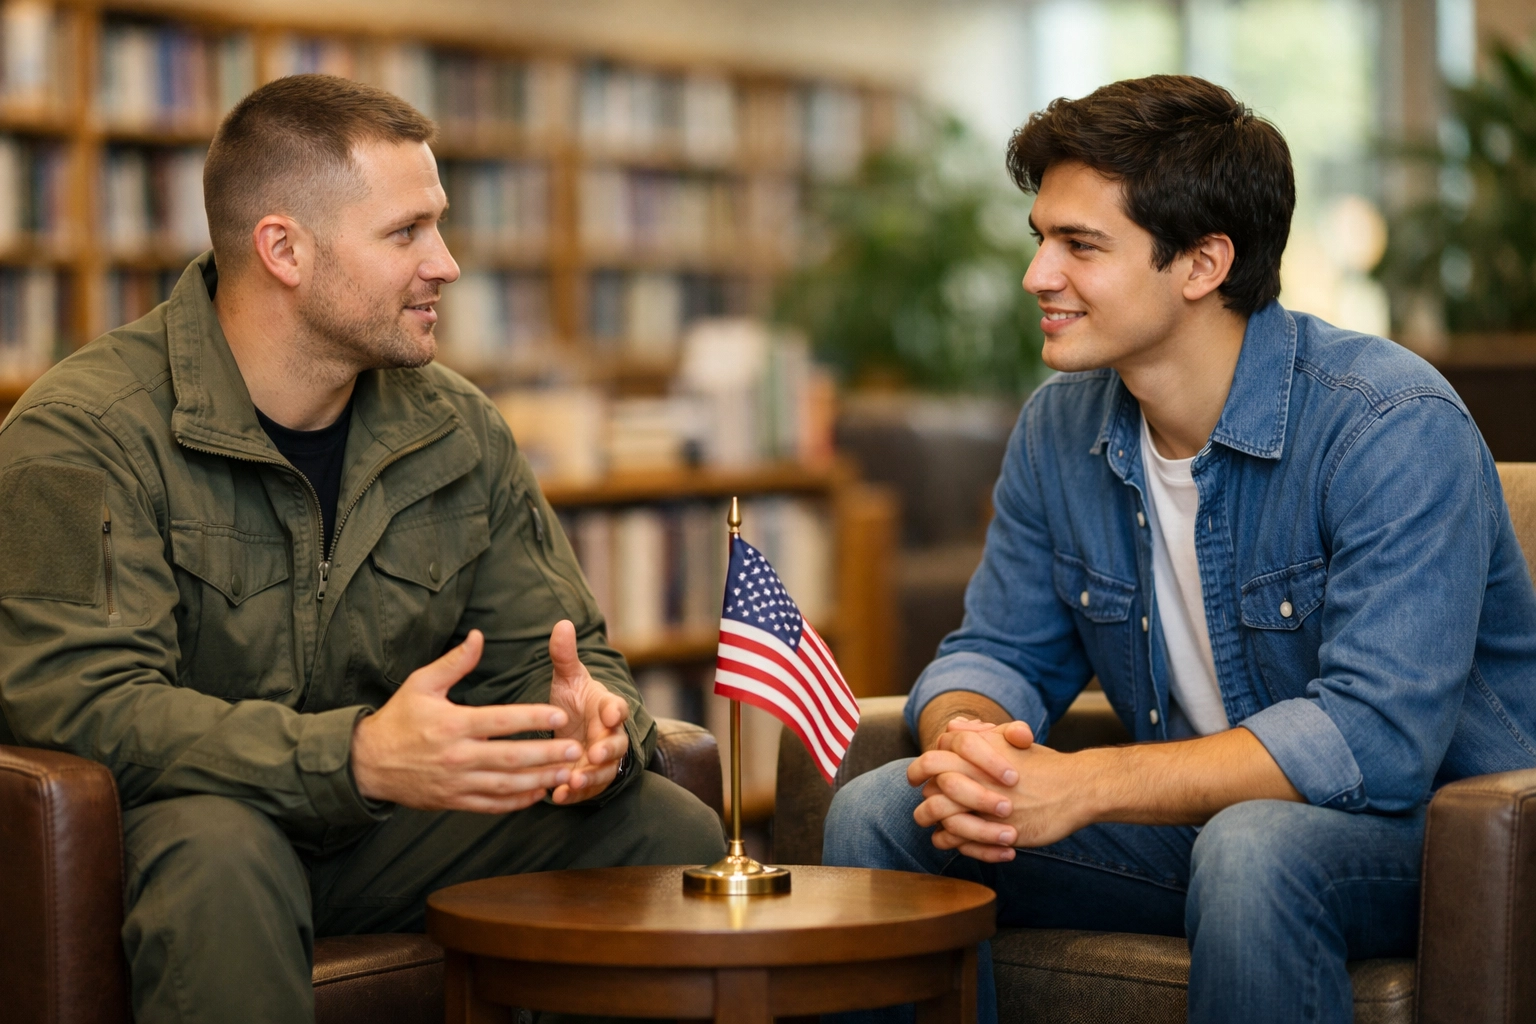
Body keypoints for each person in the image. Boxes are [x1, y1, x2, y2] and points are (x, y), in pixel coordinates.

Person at [0, 74, 725, 1024]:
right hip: (192, 825)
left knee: (664, 824)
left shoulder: (460, 429)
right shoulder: (70, 436)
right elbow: (76, 703)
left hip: (387, 829)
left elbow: (569, 656)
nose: (448, 264)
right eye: (406, 233)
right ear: (283, 250)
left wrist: (598, 729)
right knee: (222, 856)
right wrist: (354, 758)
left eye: (441, 224)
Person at [823, 74, 1536, 1024]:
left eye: (1079, 245)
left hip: (1438, 838)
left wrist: (1082, 784)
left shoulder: (1390, 424)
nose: (1038, 274)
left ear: (1203, 264)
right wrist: (974, 742)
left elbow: (1377, 742)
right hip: (1203, 830)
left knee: (1255, 846)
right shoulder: (1057, 429)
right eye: (1040, 238)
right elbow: (999, 652)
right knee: (880, 815)